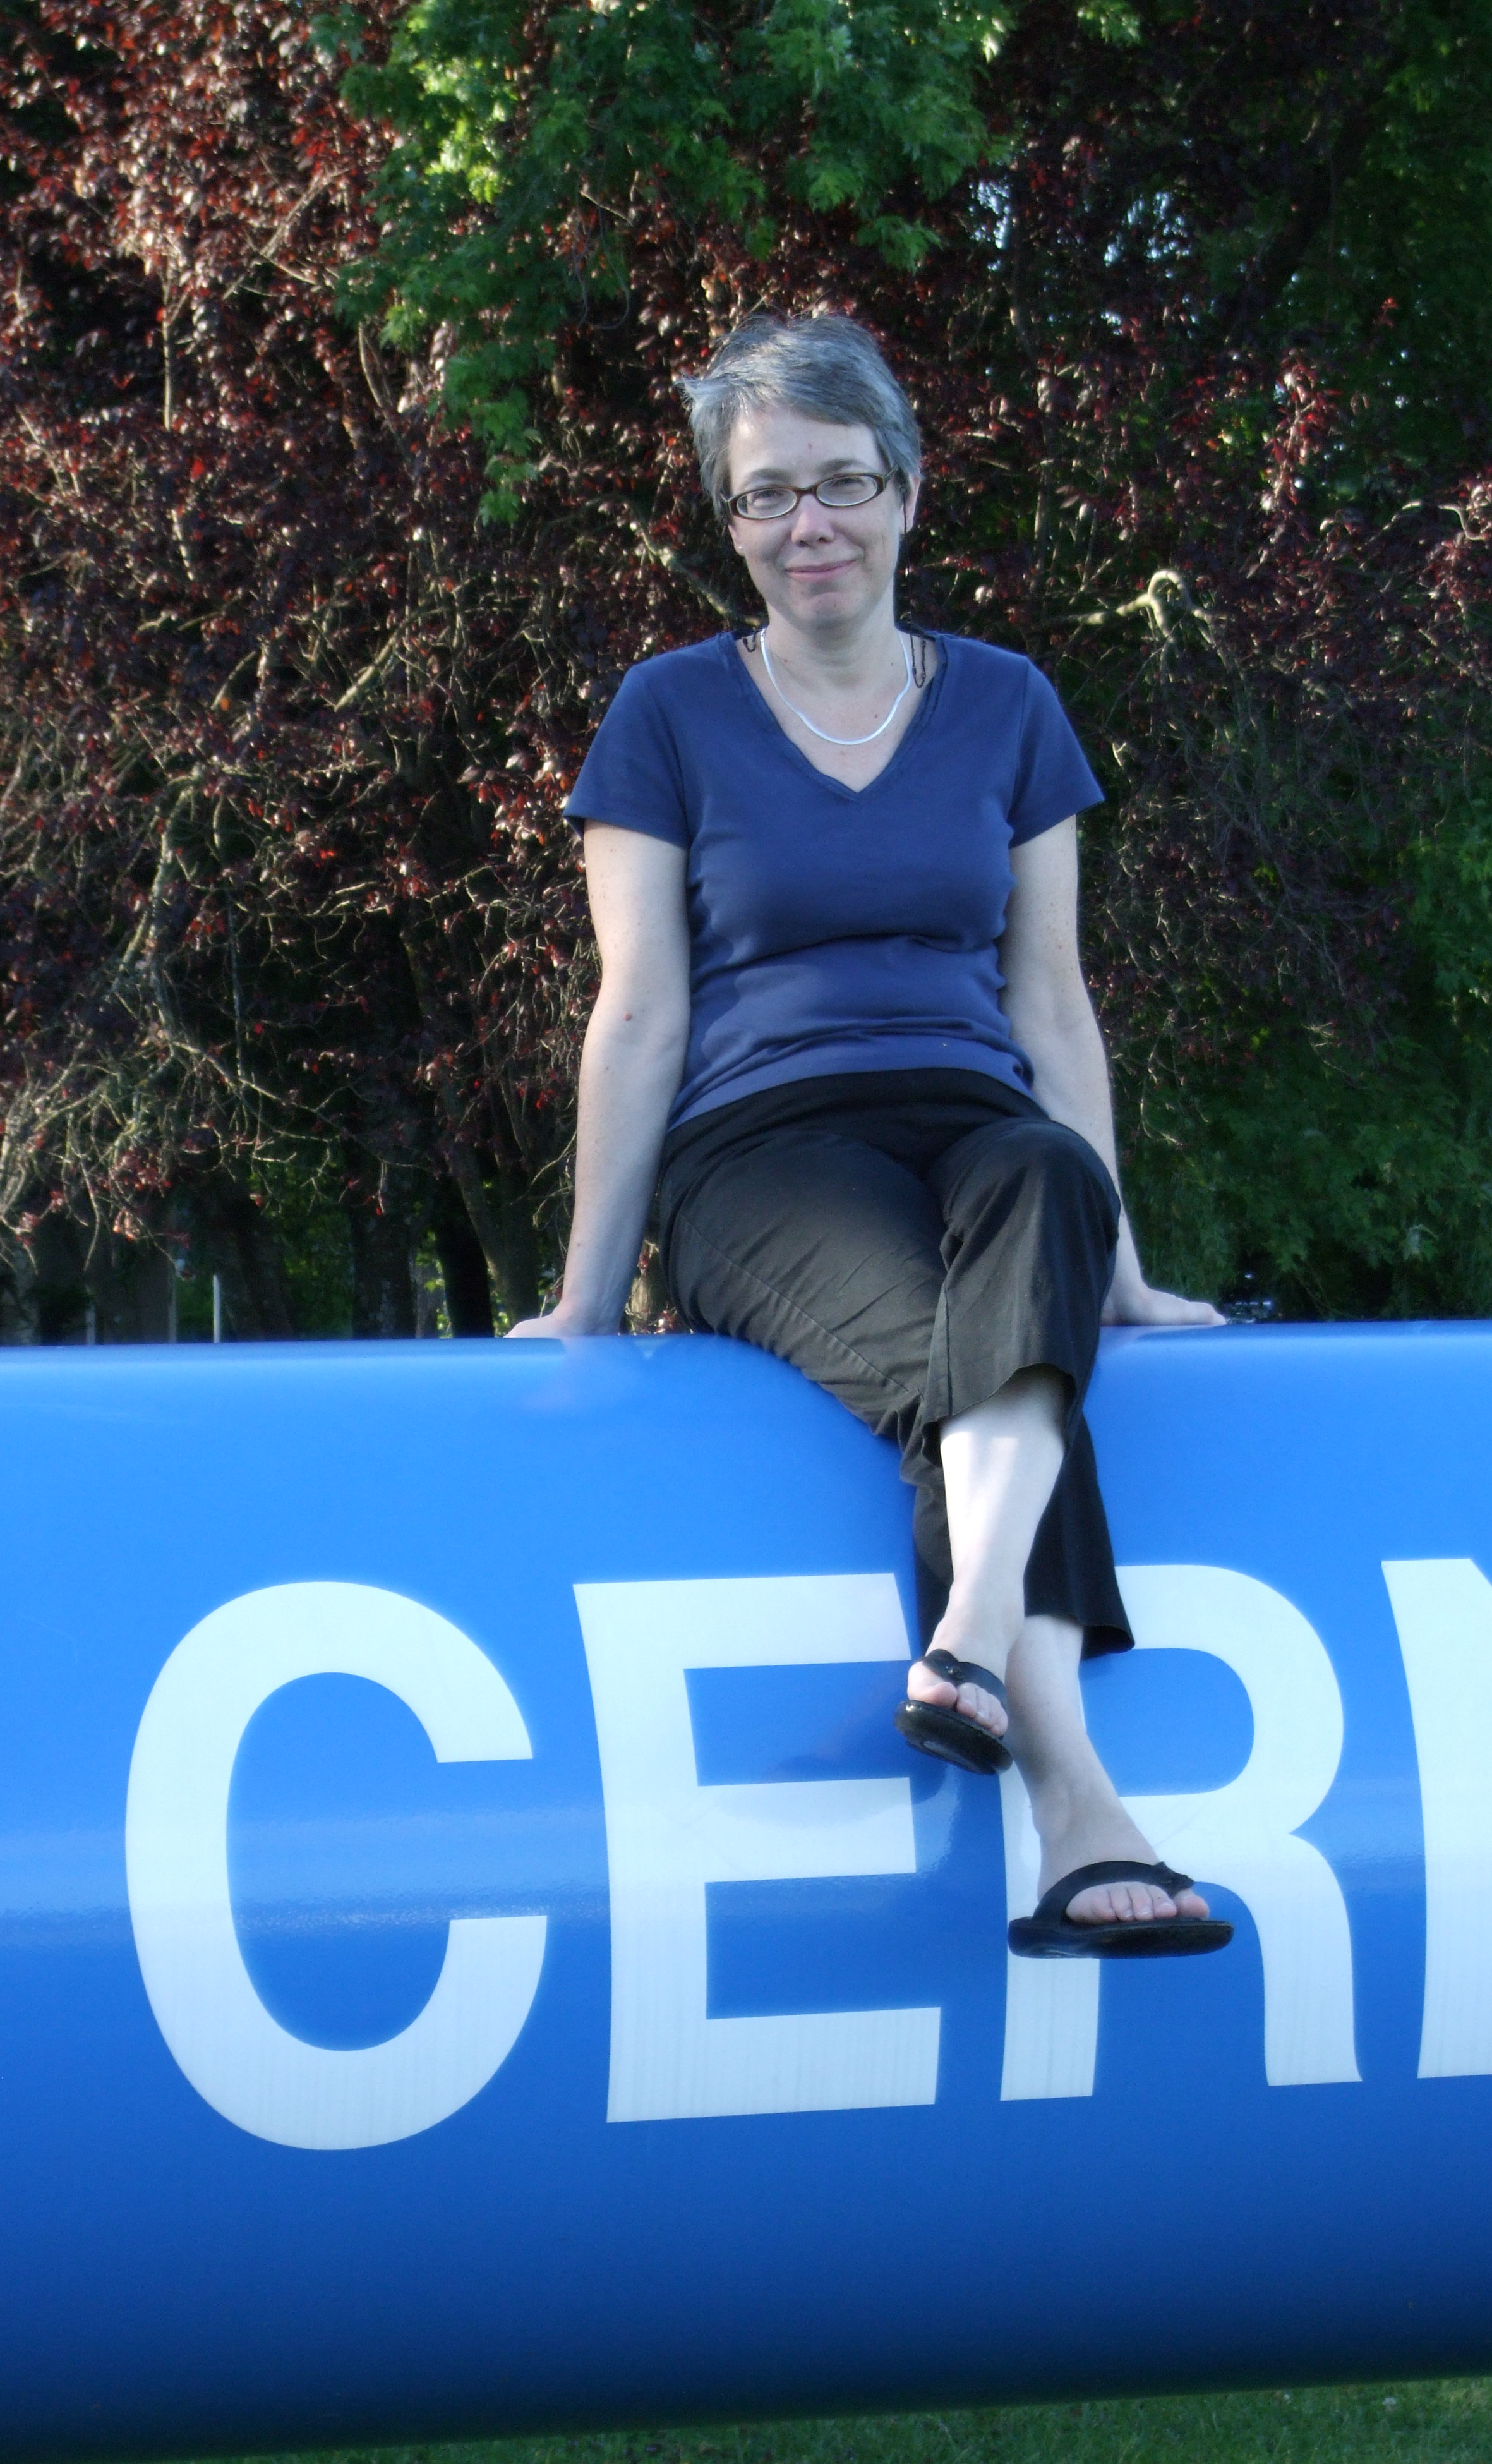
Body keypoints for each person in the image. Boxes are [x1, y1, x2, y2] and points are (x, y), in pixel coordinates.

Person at [508, 312, 1232, 1960]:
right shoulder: (669, 715)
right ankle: (1079, 1807)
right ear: (730, 521)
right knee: (944, 1357)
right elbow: (638, 1016)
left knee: (1053, 1177)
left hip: (973, 1123)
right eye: (768, 496)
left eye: (839, 484)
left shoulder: (1011, 708)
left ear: (906, 494)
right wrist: (584, 1298)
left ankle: (970, 1632)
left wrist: (1121, 1272)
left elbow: (1052, 1011)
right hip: (762, 1150)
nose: (805, 525)